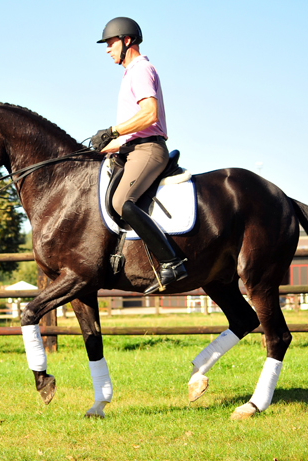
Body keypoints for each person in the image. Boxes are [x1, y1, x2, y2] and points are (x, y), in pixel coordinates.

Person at [91, 17, 187, 295]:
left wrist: (112, 130)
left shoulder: (141, 69)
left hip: (148, 149)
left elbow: (149, 114)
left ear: (127, 41)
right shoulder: (129, 73)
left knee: (122, 201)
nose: (107, 49)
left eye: (110, 43)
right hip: (133, 148)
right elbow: (130, 130)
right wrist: (105, 144)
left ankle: (172, 260)